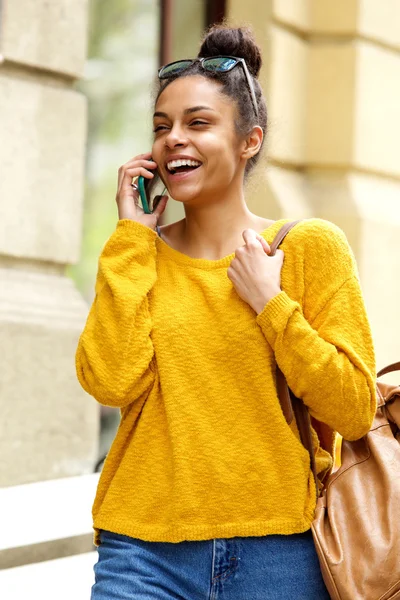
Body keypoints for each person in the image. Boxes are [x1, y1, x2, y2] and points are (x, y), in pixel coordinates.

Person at [76, 24, 377, 600]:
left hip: (279, 551)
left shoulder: (308, 247)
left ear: (249, 140)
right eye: (162, 127)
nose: (173, 140)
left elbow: (354, 410)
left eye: (197, 123)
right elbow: (109, 380)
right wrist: (130, 238)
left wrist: (272, 304)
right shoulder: (140, 256)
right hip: (142, 550)